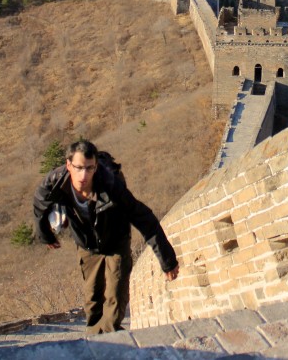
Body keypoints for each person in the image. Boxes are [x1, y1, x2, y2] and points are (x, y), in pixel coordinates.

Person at [33, 140, 179, 334]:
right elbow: (39, 206)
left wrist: (167, 260)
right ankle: (95, 340)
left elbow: (144, 218)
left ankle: (109, 344)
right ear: (68, 165)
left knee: (115, 298)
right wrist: (46, 236)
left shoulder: (110, 185)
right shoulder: (54, 183)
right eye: (78, 168)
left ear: (96, 167)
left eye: (89, 168)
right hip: (87, 246)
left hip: (116, 241)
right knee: (93, 299)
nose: (83, 175)